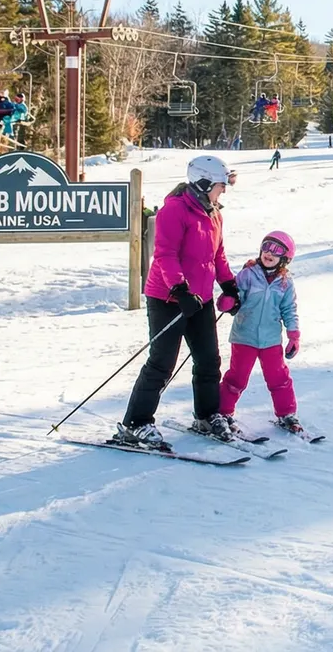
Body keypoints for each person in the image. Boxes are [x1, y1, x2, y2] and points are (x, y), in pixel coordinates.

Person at [113, 155, 239, 449]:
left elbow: (216, 257)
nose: (223, 190)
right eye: (221, 185)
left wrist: (229, 285)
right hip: (168, 298)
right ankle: (136, 424)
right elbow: (165, 254)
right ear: (204, 182)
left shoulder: (214, 214)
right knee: (162, 363)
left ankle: (207, 416)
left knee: (209, 360)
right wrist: (180, 290)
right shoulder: (175, 210)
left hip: (201, 300)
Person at [216, 231, 306, 436]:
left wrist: (293, 335)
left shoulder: (285, 283)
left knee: (279, 378)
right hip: (244, 336)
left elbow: (289, 309)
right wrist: (228, 301)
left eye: (276, 250)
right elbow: (235, 294)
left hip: (270, 339)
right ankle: (222, 413)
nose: (269, 253)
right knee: (236, 378)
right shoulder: (248, 273)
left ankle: (286, 414)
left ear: (285, 258)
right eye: (266, 246)